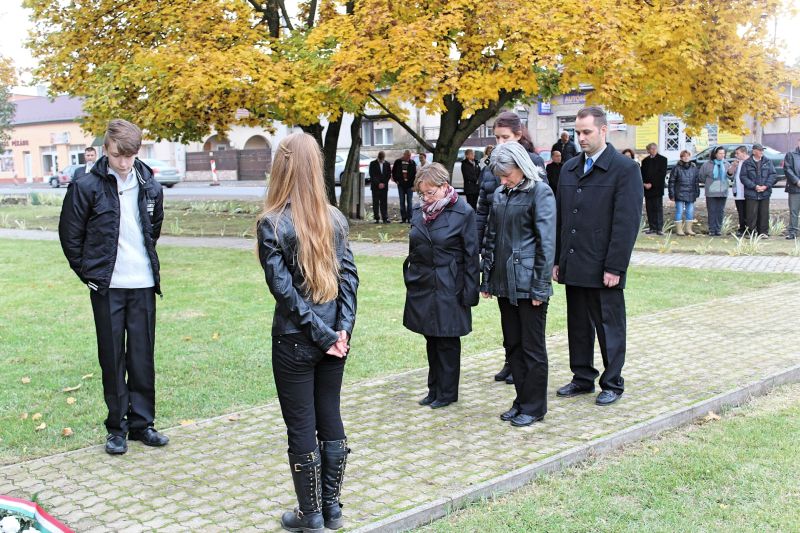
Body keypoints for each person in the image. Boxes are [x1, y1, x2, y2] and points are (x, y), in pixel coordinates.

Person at [257, 132, 358, 532]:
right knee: (329, 415)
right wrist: (339, 331)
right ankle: (329, 509)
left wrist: (332, 333)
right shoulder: (334, 218)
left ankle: (313, 513)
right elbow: (350, 281)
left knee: (303, 424)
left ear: (281, 167)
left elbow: (285, 293)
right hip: (330, 337)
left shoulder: (272, 223)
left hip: (298, 339)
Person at [58, 119, 168, 455]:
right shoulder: (86, 186)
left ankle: (142, 424)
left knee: (142, 357)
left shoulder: (150, 185)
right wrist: (89, 274)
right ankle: (116, 428)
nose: (124, 162)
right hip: (107, 287)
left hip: (143, 283)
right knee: (112, 358)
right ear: (106, 149)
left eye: (130, 155)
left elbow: (153, 229)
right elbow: (70, 235)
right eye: (118, 155)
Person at [553, 106, 643, 406]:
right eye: (577, 132)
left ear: (604, 130)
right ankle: (582, 377)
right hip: (574, 261)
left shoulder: (625, 169)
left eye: (587, 132)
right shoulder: (569, 168)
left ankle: (612, 382)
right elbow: (561, 218)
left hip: (604, 265)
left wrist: (615, 266)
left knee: (609, 325)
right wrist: (557, 259)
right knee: (578, 325)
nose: (581, 138)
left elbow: (626, 223)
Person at [481, 142, 556, 427]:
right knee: (512, 345)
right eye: (499, 176)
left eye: (506, 174)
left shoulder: (540, 192)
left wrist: (540, 287)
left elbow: (546, 244)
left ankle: (535, 407)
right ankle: (522, 400)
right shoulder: (500, 194)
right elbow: (491, 237)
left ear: (521, 167)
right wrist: (487, 279)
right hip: (504, 281)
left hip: (529, 283)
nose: (503, 181)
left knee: (532, 348)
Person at [475, 111, 546, 385]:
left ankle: (522, 370)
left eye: (505, 137)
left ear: (519, 135)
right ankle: (511, 361)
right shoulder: (491, 166)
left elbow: (541, 220)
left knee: (526, 327)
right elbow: (483, 209)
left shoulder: (532, 165)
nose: (500, 142)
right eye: (497, 137)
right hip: (499, 250)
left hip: (521, 257)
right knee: (509, 323)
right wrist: (479, 245)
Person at [403, 163, 479, 410]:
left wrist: (470, 292)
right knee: (431, 337)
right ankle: (434, 389)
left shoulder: (463, 212)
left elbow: (471, 256)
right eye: (422, 193)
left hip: (450, 285)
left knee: (447, 339)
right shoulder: (419, 211)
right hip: (424, 284)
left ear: (444, 186)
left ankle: (447, 392)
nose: (425, 198)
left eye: (430, 192)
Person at [741, 143, 777, 237]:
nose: (762, 152)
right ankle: (751, 233)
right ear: (754, 151)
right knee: (751, 214)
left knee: (764, 214)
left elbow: (773, 175)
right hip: (751, 192)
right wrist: (754, 186)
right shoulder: (747, 163)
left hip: (765, 192)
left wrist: (766, 186)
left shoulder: (768, 161)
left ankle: (763, 233)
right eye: (759, 150)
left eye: (762, 150)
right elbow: (743, 177)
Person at [698, 146, 730, 236]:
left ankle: (718, 229)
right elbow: (701, 177)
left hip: (723, 191)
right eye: (720, 153)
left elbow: (731, 176)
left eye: (723, 153)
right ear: (715, 154)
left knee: (720, 211)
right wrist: (710, 183)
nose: (722, 155)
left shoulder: (726, 164)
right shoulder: (707, 164)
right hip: (711, 192)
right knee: (712, 211)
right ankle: (712, 229)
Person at [668, 150, 700, 236]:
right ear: (681, 157)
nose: (686, 157)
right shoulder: (676, 168)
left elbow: (696, 181)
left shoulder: (694, 168)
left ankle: (688, 229)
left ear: (690, 157)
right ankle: (679, 230)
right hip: (679, 193)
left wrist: (697, 192)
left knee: (690, 211)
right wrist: (671, 194)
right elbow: (671, 182)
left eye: (687, 156)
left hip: (691, 193)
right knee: (679, 211)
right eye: (684, 156)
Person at [640, 143, 667, 235]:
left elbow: (661, 174)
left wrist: (652, 184)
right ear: (648, 150)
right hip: (647, 188)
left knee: (658, 208)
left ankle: (659, 228)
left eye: (655, 148)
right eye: (651, 148)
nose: (653, 150)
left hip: (657, 188)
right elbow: (642, 174)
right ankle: (652, 227)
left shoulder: (663, 159)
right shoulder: (645, 161)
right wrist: (644, 183)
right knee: (649, 208)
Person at [729, 146, 749, 237]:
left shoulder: (750, 162)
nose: (736, 155)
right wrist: (733, 166)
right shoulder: (736, 163)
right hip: (738, 192)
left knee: (748, 212)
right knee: (741, 212)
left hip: (748, 191)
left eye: (738, 153)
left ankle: (749, 229)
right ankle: (741, 229)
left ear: (744, 153)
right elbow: (729, 175)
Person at [392, 150, 417, 223]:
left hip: (409, 185)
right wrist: (396, 180)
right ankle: (403, 218)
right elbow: (393, 172)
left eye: (410, 155)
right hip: (401, 185)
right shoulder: (398, 162)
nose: (409, 157)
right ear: (404, 155)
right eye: (407, 155)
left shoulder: (412, 163)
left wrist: (413, 185)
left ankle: (410, 218)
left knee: (410, 202)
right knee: (402, 201)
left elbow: (414, 174)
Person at [369, 151, 392, 224]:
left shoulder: (387, 164)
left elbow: (388, 175)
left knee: (384, 203)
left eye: (382, 159)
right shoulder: (373, 164)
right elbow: (372, 175)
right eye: (380, 159)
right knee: (375, 203)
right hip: (375, 187)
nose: (382, 160)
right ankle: (376, 218)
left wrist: (383, 183)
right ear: (378, 157)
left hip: (384, 187)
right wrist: (378, 183)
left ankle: (385, 218)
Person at [784, 138, 800, 239]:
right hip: (795, 188)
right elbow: (787, 169)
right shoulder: (790, 154)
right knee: (794, 211)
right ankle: (793, 232)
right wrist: (797, 181)